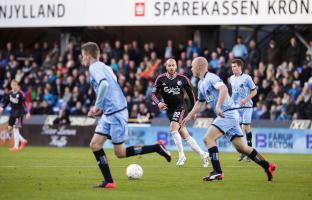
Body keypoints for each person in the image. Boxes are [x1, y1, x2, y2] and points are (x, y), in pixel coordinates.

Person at [81, 42, 171, 189]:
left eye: (82, 55)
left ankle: (156, 148)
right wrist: (103, 106)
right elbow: (114, 83)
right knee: (95, 144)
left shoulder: (94, 67)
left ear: (88, 56)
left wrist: (97, 106)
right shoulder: (106, 67)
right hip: (110, 112)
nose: (82, 59)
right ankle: (109, 181)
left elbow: (104, 85)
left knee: (120, 153)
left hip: (116, 113)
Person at [182, 57, 275, 182]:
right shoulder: (200, 83)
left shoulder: (211, 77)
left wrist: (219, 106)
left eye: (192, 66)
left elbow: (224, 89)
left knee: (208, 138)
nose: (191, 68)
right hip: (230, 114)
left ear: (199, 66)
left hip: (227, 114)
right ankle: (267, 166)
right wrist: (188, 116)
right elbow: (199, 102)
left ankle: (217, 172)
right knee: (242, 148)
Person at [151, 58, 209, 167]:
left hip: (181, 108)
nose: (171, 67)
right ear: (166, 67)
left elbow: (192, 96)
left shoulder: (183, 79)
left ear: (176, 66)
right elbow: (153, 95)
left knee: (173, 129)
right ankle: (203, 154)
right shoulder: (160, 79)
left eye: (173, 65)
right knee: (185, 135)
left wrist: (193, 110)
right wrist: (158, 103)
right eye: (169, 65)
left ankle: (181, 155)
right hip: (170, 110)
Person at [229, 58, 257, 162]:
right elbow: (234, 93)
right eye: (232, 67)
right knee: (238, 129)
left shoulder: (247, 78)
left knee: (245, 128)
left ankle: (249, 152)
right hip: (236, 107)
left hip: (247, 107)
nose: (233, 68)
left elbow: (254, 92)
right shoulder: (231, 78)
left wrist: (245, 100)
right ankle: (243, 151)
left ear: (240, 67)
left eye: (235, 66)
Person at [0, 80, 30, 152]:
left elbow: (26, 103)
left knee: (15, 128)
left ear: (17, 85)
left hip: (19, 112)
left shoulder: (21, 93)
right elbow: (7, 102)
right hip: (12, 112)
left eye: (15, 85)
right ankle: (23, 140)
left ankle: (16, 147)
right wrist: (2, 108)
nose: (14, 86)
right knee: (10, 128)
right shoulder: (10, 93)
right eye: (12, 85)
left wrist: (28, 112)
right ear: (11, 85)